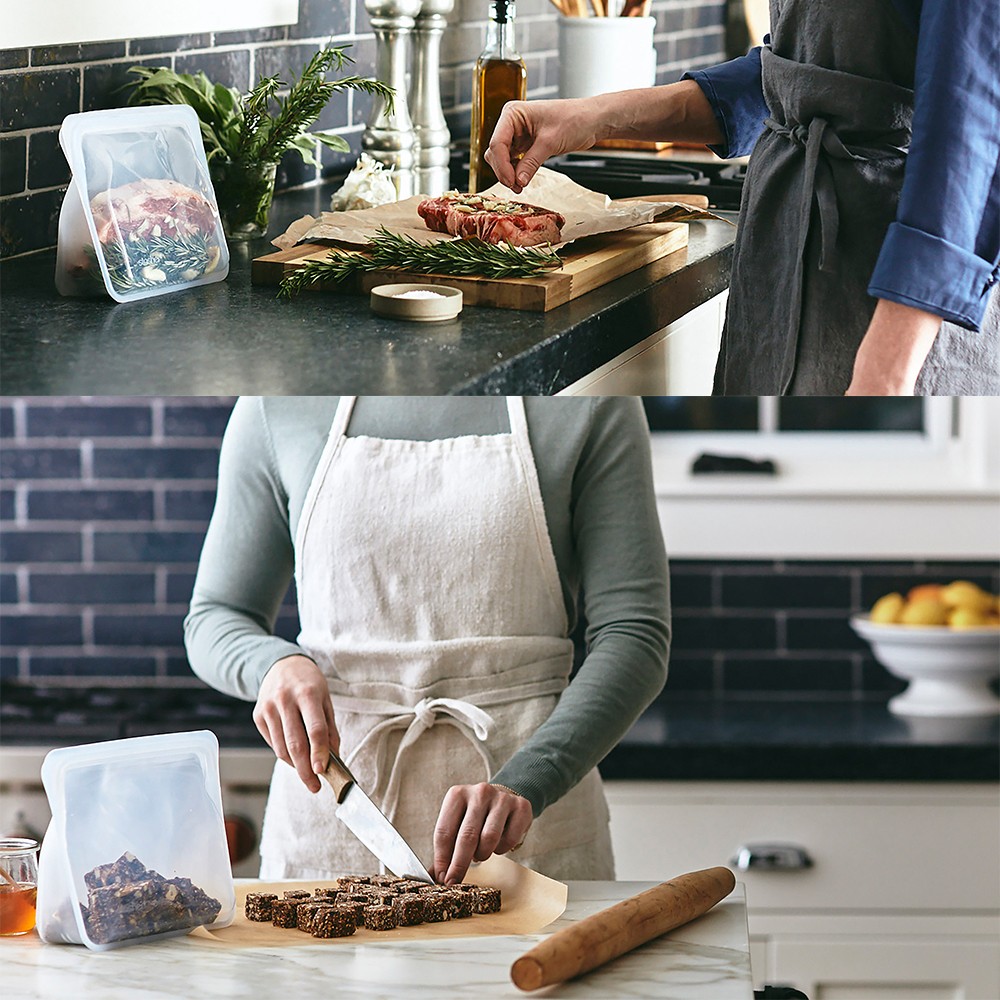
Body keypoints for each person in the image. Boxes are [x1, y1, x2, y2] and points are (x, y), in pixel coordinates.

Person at [184, 397, 669, 884]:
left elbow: (634, 633)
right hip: (331, 832)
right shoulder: (276, 404)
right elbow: (216, 616)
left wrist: (529, 782)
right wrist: (275, 666)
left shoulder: (592, 400)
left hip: (529, 834)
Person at [485, 0, 1000, 396]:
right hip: (780, 274)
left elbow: (970, 125)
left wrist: (886, 374)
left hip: (900, 309)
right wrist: (592, 116)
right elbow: (798, 77)